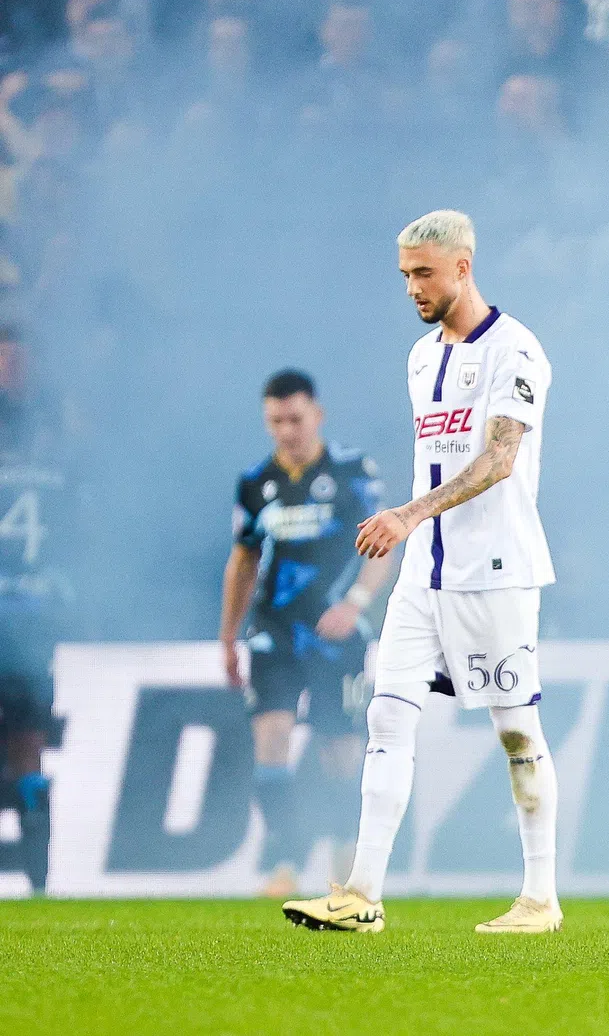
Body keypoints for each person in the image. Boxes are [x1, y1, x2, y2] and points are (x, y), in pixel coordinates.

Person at [283, 210, 561, 935]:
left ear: (463, 267)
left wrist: (408, 514)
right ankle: (362, 894)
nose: (412, 287)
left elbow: (500, 461)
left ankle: (540, 897)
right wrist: (415, 531)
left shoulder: (517, 350)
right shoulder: (418, 356)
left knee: (515, 732)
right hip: (422, 577)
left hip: (494, 572)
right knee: (385, 714)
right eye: (405, 275)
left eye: (424, 273)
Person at [221, 370, 391, 899]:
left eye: (295, 419)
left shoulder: (350, 472)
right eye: (276, 421)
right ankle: (284, 863)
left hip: (334, 632)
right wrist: (228, 637)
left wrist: (355, 603)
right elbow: (243, 561)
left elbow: (384, 544)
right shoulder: (255, 483)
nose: (287, 431)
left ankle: (346, 859)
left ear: (316, 414)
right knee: (270, 739)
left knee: (339, 747)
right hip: (274, 630)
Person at [0, 330, 72, 894]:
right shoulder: (53, 434)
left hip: (27, 618)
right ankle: (40, 881)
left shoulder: (49, 429)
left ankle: (40, 880)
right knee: (25, 748)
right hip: (31, 615)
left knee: (27, 746)